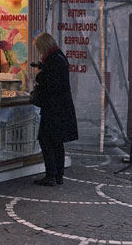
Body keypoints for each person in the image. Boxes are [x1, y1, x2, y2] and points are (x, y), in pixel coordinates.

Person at [29, 33, 79, 186]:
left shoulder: (53, 60)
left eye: (39, 48)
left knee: (47, 141)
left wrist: (39, 75)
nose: (39, 51)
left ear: (44, 46)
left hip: (54, 109)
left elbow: (50, 82)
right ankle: (58, 175)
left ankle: (51, 175)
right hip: (60, 109)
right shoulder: (59, 57)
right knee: (57, 142)